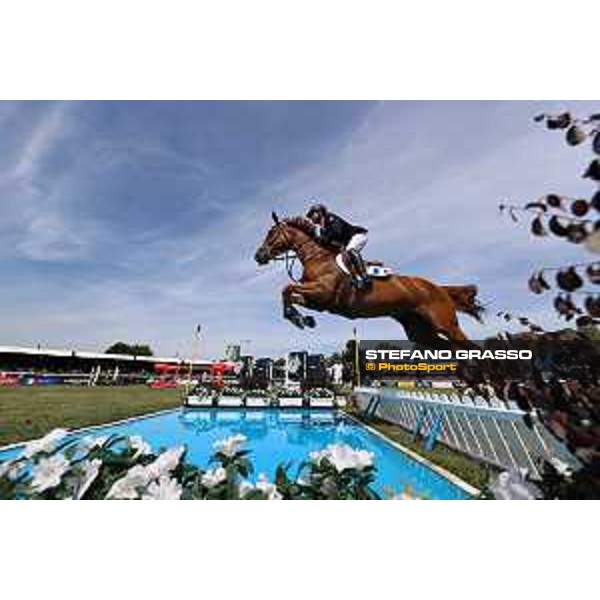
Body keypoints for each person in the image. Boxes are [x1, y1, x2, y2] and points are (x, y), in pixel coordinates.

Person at [306, 203, 370, 289]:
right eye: (310, 216)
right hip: (347, 243)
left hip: (357, 236)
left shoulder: (330, 218)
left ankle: (365, 277)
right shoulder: (322, 230)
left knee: (350, 250)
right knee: (339, 259)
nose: (311, 218)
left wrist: (321, 239)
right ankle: (354, 279)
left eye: (312, 214)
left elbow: (337, 232)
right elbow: (327, 244)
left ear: (320, 212)